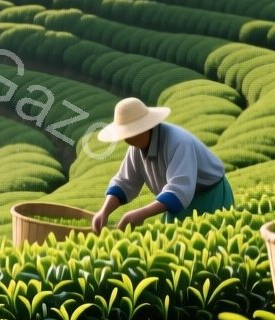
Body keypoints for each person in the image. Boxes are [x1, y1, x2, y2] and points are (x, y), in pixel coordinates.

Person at [91, 97, 233, 233]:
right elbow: (125, 182)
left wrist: (141, 214)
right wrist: (104, 211)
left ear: (145, 127)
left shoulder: (179, 142)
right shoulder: (136, 147)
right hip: (179, 205)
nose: (127, 140)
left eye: (131, 133)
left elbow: (179, 190)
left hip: (210, 198)